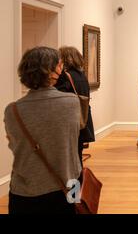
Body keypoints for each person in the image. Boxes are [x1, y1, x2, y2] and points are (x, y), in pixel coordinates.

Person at [4, 47, 81, 214]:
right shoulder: (72, 102)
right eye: (59, 65)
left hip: (25, 189)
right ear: (52, 70)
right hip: (70, 183)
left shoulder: (13, 110)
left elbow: (14, 145)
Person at [55, 46, 95, 167]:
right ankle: (80, 183)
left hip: (70, 121)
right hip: (83, 119)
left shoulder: (64, 76)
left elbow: (58, 98)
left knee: (70, 159)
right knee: (77, 155)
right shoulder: (81, 75)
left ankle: (76, 184)